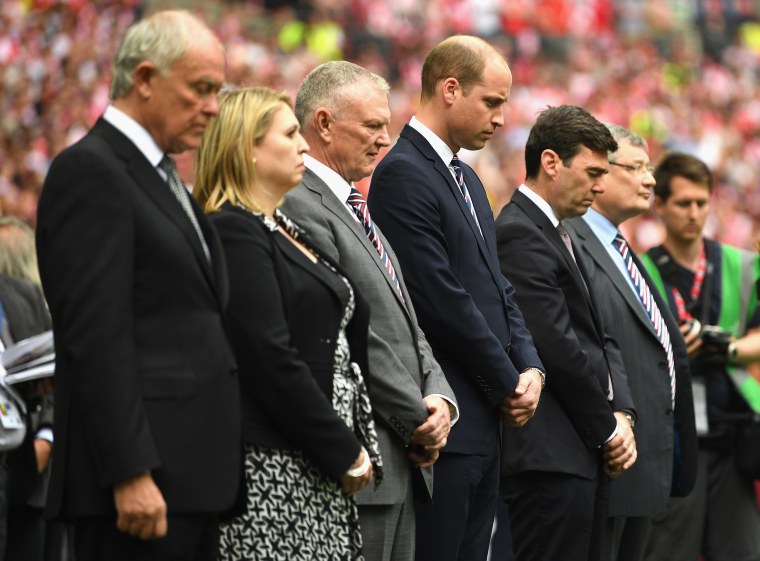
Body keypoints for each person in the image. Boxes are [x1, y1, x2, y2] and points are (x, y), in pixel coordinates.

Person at [35, 11, 241, 561]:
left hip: (190, 480)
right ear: (145, 79)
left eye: (217, 91)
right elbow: (96, 337)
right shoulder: (92, 171)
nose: (213, 108)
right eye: (200, 89)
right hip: (137, 487)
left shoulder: (163, 174)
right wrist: (130, 471)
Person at [368, 36, 545, 561]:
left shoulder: (465, 175)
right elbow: (439, 299)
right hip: (446, 422)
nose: (501, 117)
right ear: (450, 89)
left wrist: (531, 367)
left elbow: (496, 286)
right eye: (492, 101)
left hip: (485, 421)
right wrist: (508, 380)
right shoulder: (403, 172)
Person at [194, 85, 382, 561]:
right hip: (274, 462)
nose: (303, 145)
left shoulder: (279, 228)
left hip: (311, 462)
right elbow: (267, 355)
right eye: (290, 133)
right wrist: (343, 449)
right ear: (246, 149)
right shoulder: (233, 230)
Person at [281, 61, 457, 561]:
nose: (385, 139)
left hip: (403, 456)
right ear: (324, 124)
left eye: (386, 125)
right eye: (373, 126)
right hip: (365, 452)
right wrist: (417, 416)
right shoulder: (301, 204)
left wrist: (441, 400)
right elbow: (351, 327)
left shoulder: (357, 205)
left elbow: (408, 324)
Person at [494, 105, 638, 561]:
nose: (600, 185)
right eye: (593, 172)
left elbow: (600, 334)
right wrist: (608, 429)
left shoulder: (559, 232)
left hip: (577, 453)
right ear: (551, 162)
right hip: (550, 459)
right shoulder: (519, 232)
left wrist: (624, 414)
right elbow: (558, 347)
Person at [565, 124, 698, 561]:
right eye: (636, 167)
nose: (650, 179)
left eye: (649, 168)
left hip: (642, 461)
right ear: (599, 174)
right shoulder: (571, 240)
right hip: (606, 455)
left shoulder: (622, 248)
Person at [640, 152, 760, 561]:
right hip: (672, 438)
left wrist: (725, 347)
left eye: (701, 203)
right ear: (660, 205)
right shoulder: (639, 270)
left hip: (734, 438)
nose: (694, 213)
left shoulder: (741, 264)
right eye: (683, 203)